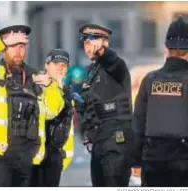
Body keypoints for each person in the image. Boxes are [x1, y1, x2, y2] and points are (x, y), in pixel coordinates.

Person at [0, 25, 64, 186]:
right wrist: (0, 42)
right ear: (3, 48)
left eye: (22, 46)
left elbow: (52, 111)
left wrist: (51, 87)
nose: (18, 51)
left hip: (28, 151)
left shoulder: (36, 77)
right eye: (12, 46)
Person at [74, 24, 133, 187]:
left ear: (105, 43)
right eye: (85, 43)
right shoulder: (90, 72)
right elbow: (86, 106)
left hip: (115, 140)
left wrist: (102, 52)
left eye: (93, 43)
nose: (88, 47)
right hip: (97, 142)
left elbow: (112, 60)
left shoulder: (115, 66)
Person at [132, 15, 188, 187]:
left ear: (166, 48)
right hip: (183, 160)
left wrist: (135, 160)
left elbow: (138, 122)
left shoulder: (150, 80)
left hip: (152, 159)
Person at [30, 49, 74, 187]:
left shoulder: (65, 90)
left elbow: (67, 124)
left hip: (55, 153)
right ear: (46, 65)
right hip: (36, 150)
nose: (60, 68)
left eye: (64, 66)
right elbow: (49, 113)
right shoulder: (36, 85)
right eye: (56, 64)